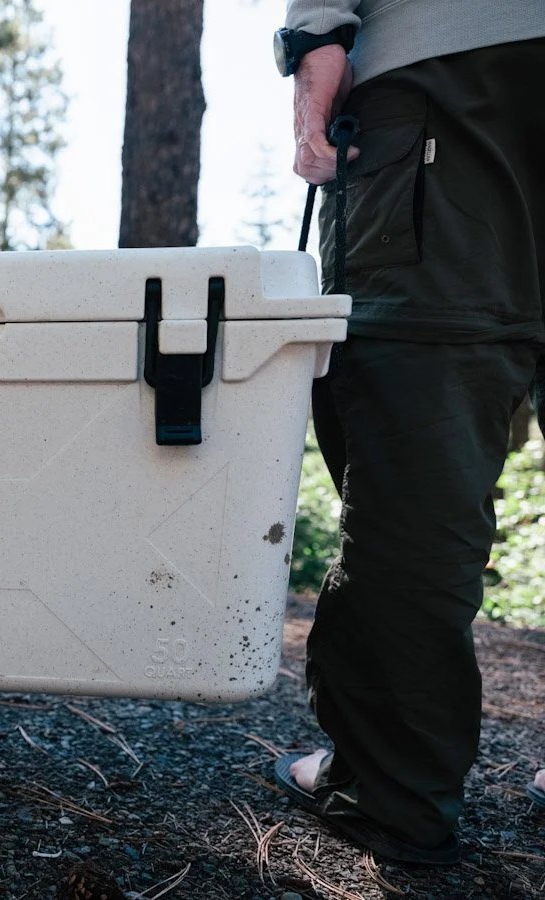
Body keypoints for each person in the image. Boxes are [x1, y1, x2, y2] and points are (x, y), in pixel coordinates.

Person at [271, 1, 545, 864]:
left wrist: (316, 64)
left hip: (457, 90)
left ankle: (396, 793)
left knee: (419, 442)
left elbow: (325, 30)